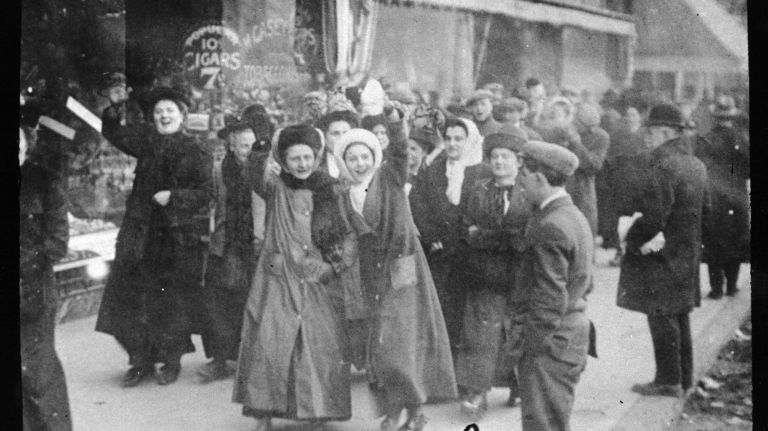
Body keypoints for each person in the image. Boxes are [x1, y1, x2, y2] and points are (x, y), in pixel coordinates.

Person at [334, 118, 457, 431]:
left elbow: (401, 152)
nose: (360, 163)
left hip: (402, 268)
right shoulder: (344, 192)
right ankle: (397, 410)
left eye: (365, 156)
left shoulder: (389, 177)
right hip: (371, 274)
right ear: (343, 161)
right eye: (352, 158)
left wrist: (394, 125)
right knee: (379, 347)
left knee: (399, 344)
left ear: (375, 156)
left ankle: (410, 408)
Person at [233, 125, 352, 431]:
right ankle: (263, 411)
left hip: (317, 277)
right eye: (294, 158)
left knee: (318, 344)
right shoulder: (276, 187)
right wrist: (262, 144)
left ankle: (318, 411)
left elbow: (347, 232)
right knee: (270, 341)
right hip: (278, 277)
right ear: (283, 161)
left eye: (307, 157)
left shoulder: (331, 189)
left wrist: (334, 266)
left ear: (317, 157)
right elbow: (254, 173)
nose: (302, 164)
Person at [95, 86, 214, 386]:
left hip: (174, 238)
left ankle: (171, 362)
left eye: (170, 111)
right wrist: (114, 109)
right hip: (139, 234)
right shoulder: (146, 142)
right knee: (130, 299)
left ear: (182, 116)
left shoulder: (195, 149)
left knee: (170, 303)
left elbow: (205, 193)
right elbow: (115, 134)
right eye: (159, 112)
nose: (164, 116)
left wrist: (174, 196)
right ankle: (140, 361)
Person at [617, 104, 710, 397]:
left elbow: (654, 217)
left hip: (661, 253)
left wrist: (630, 239)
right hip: (686, 251)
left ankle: (668, 380)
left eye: (652, 132)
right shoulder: (695, 164)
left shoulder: (661, 166)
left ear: (667, 133)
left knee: (660, 315)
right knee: (679, 314)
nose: (647, 137)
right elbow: (706, 210)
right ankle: (684, 377)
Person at [510, 140, 595, 431]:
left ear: (539, 178)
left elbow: (549, 298)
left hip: (550, 345)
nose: (521, 185)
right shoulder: (572, 216)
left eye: (523, 177)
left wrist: (530, 350)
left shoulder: (551, 226)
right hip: (568, 336)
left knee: (543, 425)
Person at [455, 129, 531, 418]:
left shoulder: (529, 191)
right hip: (484, 273)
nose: (499, 162)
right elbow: (467, 229)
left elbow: (526, 235)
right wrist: (501, 236)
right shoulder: (479, 189)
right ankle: (477, 391)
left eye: (506, 157)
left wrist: (488, 235)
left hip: (519, 274)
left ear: (519, 161)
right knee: (480, 333)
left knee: (516, 330)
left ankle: (519, 385)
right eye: (495, 157)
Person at [410, 118, 491, 361]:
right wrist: (431, 236)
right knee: (440, 311)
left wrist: (461, 237)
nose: (452, 144)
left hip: (468, 253)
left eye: (458, 139)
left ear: (470, 140)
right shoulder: (434, 169)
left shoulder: (483, 172)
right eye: (448, 138)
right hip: (439, 252)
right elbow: (419, 204)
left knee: (466, 314)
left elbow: (480, 213)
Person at [197, 114, 265, 383]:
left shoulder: (264, 170)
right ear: (232, 147)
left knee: (254, 302)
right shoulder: (218, 171)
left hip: (256, 246)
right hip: (225, 246)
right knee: (218, 305)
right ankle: (219, 359)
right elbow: (208, 201)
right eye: (244, 145)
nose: (249, 151)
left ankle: (252, 359)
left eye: (253, 145)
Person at [20, 118, 73, 431]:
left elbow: (57, 242)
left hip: (34, 291)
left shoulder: (44, 180)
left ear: (27, 144)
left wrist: (26, 263)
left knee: (38, 373)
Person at [697, 95, 749, 298]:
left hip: (714, 197)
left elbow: (701, 168)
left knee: (714, 242)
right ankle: (732, 286)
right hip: (737, 197)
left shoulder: (706, 139)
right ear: (732, 116)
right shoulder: (742, 139)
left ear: (715, 117)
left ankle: (717, 288)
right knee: (735, 240)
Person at [598, 105, 648, 265]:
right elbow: (609, 160)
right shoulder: (617, 137)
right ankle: (620, 253)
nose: (630, 118)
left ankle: (637, 254)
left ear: (639, 119)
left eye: (634, 115)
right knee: (621, 221)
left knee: (639, 220)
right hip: (620, 186)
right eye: (628, 115)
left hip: (640, 185)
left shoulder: (645, 137)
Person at [569, 103, 609, 238]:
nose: (574, 124)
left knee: (585, 226)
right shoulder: (563, 131)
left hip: (583, 186)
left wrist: (576, 143)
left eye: (578, 123)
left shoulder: (601, 137)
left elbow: (594, 165)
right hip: (562, 182)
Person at [315, 109, 360, 178]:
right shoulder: (316, 162)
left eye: (345, 133)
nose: (342, 138)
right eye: (336, 133)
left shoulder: (360, 161)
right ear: (324, 137)